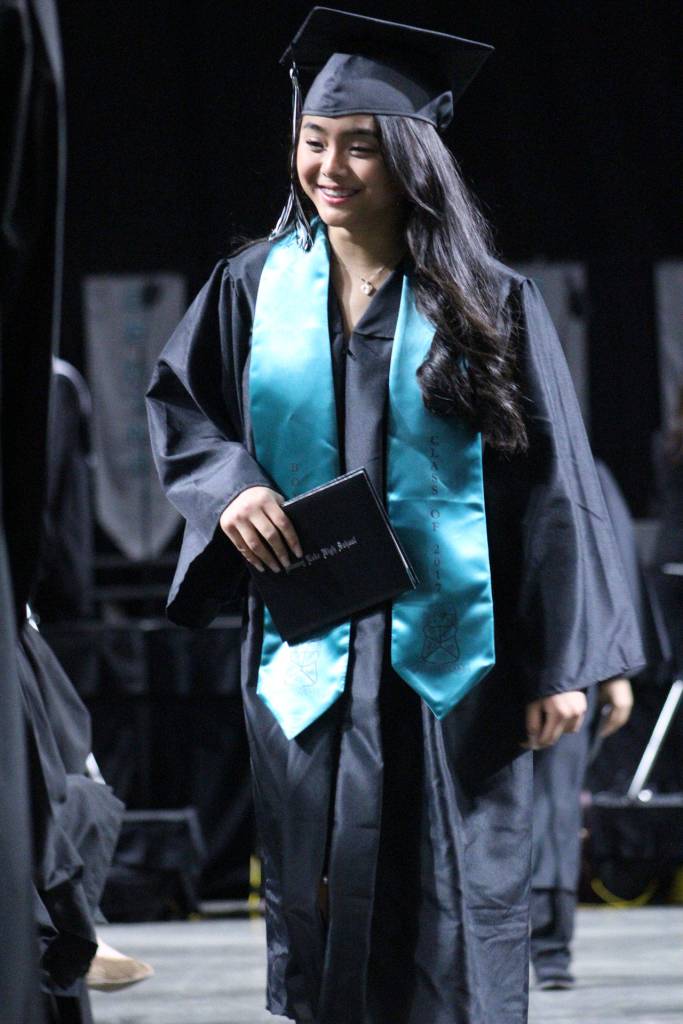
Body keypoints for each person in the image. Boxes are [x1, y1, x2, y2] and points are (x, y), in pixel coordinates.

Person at [146, 9, 644, 1023]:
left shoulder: (485, 299)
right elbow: (182, 410)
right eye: (314, 140)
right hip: (311, 653)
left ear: (410, 154)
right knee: (319, 897)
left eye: (360, 144)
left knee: (453, 917)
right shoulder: (252, 288)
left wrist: (565, 662)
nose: (329, 166)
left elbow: (556, 485)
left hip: (455, 662)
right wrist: (229, 482)